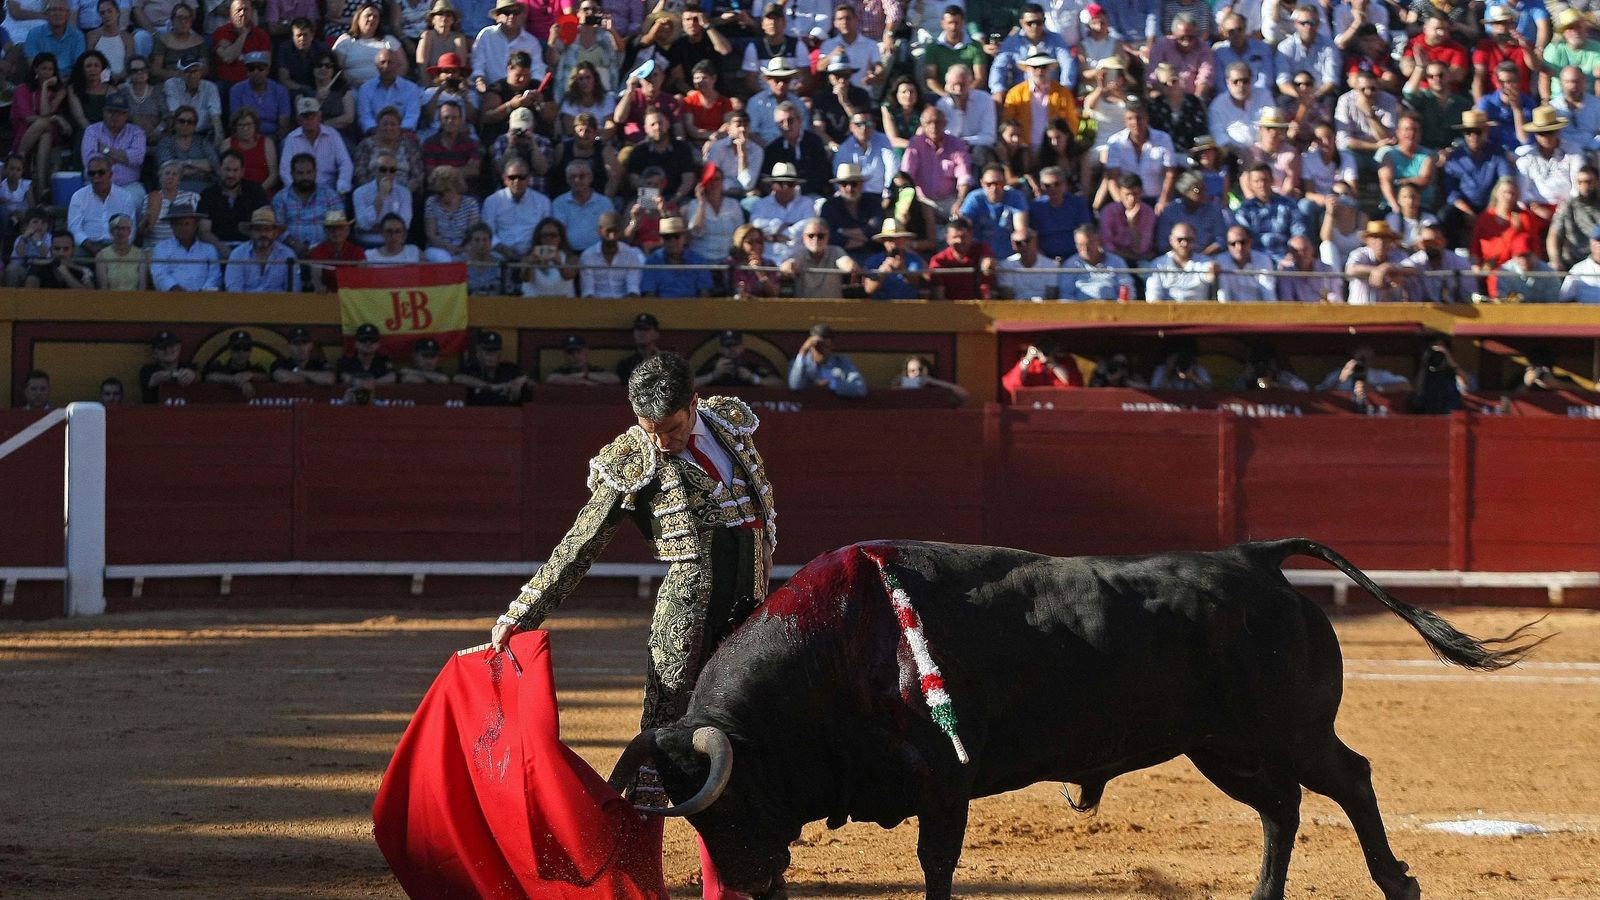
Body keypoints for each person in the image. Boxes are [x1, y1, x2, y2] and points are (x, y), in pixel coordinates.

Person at [489, 351, 776, 854]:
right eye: (650, 428)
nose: (662, 440)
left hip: (753, 608)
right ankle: (637, 859)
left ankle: (739, 867)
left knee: (752, 730)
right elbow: (580, 545)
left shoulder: (730, 422)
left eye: (672, 427)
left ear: (694, 403)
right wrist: (521, 612)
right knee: (660, 739)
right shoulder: (631, 457)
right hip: (688, 614)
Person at [68, 156, 140, 256]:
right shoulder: (78, 197)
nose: (96, 176)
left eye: (101, 172)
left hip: (117, 245)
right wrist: (93, 248)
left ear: (110, 174)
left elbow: (130, 231)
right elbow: (74, 229)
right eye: (92, 173)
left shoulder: (125, 197)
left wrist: (112, 250)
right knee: (73, 255)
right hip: (87, 245)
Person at [199, 151, 270, 252]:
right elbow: (204, 231)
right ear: (219, 169)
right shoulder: (207, 194)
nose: (231, 175)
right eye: (227, 170)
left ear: (242, 171)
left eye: (235, 170)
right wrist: (222, 249)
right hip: (218, 248)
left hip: (250, 248)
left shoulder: (255, 191)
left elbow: (265, 223)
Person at [779, 216, 859, 298]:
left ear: (828, 237)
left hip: (832, 308)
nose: (815, 240)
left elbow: (844, 262)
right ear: (804, 238)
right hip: (804, 308)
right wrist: (788, 265)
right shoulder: (800, 253)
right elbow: (791, 263)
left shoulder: (836, 251)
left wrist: (849, 265)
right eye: (811, 235)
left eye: (820, 236)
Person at [149, 201, 221, 291]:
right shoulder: (162, 248)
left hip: (205, 300)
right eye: (179, 224)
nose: (183, 228)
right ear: (172, 226)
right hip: (171, 299)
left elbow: (215, 276)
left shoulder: (209, 249)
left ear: (195, 226)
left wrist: (203, 292)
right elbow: (159, 275)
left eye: (187, 224)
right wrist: (177, 291)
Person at [225, 207, 300, 293]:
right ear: (250, 232)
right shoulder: (238, 254)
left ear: (275, 233)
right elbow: (233, 290)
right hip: (244, 304)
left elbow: (294, 290)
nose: (263, 234)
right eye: (258, 229)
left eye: (267, 229)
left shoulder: (288, 255)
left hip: (279, 304)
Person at [639, 216, 713, 299]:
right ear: (661, 240)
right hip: (661, 309)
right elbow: (649, 295)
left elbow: (705, 293)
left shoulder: (699, 261)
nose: (672, 241)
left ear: (684, 238)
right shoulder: (652, 262)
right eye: (667, 237)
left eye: (676, 236)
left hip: (694, 309)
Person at [787, 323, 866, 398]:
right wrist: (803, 352)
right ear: (810, 347)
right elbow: (794, 386)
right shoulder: (799, 363)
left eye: (826, 346)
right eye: (818, 347)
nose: (823, 351)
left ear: (832, 346)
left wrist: (832, 384)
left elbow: (860, 389)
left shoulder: (841, 362)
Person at [927, 214, 996, 300]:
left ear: (971, 236)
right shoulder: (939, 260)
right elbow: (939, 295)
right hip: (951, 308)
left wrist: (987, 265)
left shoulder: (981, 250)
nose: (959, 241)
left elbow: (988, 263)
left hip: (980, 304)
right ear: (947, 238)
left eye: (963, 237)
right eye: (955, 237)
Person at [1345, 220, 1415, 305]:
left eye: (1384, 238)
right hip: (1360, 311)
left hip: (1391, 312)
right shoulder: (1359, 254)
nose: (1380, 242)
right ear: (1367, 241)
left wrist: (1388, 267)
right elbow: (1351, 270)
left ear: (1391, 241)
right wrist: (1377, 271)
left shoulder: (1398, 254)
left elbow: (1412, 269)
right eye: (1375, 237)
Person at [1058, 223, 1132, 301]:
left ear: (1099, 241)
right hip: (1081, 310)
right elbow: (1066, 294)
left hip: (1112, 309)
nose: (1085, 249)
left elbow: (1127, 289)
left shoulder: (1117, 261)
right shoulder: (1070, 264)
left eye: (1089, 244)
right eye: (1080, 245)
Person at [578, 211, 645, 298]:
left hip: (624, 304)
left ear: (620, 231)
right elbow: (588, 292)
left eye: (616, 231)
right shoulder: (587, 256)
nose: (612, 236)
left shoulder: (631, 254)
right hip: (595, 305)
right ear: (600, 230)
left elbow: (633, 289)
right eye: (609, 231)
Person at [229, 50, 294, 138]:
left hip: (274, 137)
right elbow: (236, 122)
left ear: (268, 70)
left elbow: (284, 125)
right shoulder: (236, 90)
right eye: (251, 68)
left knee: (285, 142)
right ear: (247, 71)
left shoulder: (280, 91)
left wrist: (269, 143)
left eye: (260, 68)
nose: (256, 72)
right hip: (246, 136)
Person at [456, 330, 530, 405]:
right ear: (478, 352)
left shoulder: (510, 369)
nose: (491, 356)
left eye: (495, 351)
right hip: (477, 414)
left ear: (500, 353)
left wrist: (521, 380)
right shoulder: (472, 369)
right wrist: (491, 387)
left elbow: (532, 383)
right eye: (487, 351)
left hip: (508, 413)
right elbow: (457, 378)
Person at [1146, 223, 1212, 302]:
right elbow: (1153, 297)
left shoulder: (1205, 261)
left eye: (1189, 239)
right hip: (1167, 312)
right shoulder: (1158, 264)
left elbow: (1209, 275)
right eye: (1180, 239)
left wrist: (1212, 274)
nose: (1184, 243)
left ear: (1195, 240)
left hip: (1199, 312)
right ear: (1171, 240)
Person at [694, 329, 777, 389]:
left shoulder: (751, 367)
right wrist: (713, 375)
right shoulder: (711, 368)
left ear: (742, 347)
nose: (732, 349)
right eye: (728, 346)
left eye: (735, 345)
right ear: (721, 349)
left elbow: (780, 384)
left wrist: (753, 378)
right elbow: (688, 386)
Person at [1490, 232, 1560, 302]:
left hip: (1543, 311)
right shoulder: (1505, 272)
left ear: (1535, 254)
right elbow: (1501, 301)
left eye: (1527, 255)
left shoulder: (1549, 273)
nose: (1524, 260)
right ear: (1513, 256)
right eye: (1519, 256)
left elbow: (1554, 302)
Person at [307, 210, 367, 292]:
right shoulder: (318, 251)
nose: (336, 232)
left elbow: (362, 278)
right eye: (331, 229)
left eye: (340, 228)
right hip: (326, 297)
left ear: (347, 231)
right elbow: (316, 279)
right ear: (325, 231)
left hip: (352, 296)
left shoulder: (357, 251)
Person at [1213, 225, 1276, 302]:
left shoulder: (1263, 259)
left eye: (1243, 242)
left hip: (1258, 310)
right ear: (1227, 245)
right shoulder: (1221, 260)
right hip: (1231, 310)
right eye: (1233, 243)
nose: (1239, 247)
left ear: (1250, 242)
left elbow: (1268, 293)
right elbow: (1224, 295)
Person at [203, 329, 270, 398]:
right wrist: (236, 380)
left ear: (250, 351)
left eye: (246, 348)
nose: (241, 353)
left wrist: (251, 375)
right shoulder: (220, 368)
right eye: (236, 348)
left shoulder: (256, 369)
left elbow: (266, 377)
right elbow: (210, 377)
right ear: (230, 350)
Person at [1277, 234, 1344, 302]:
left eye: (1305, 249)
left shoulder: (1327, 269)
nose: (1302, 254)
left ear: (1312, 249)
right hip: (1297, 311)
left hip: (1323, 310)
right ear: (1291, 253)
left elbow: (1336, 296)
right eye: (1297, 251)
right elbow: (1287, 300)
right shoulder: (1286, 274)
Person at [1000, 338, 1082, 393]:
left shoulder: (1065, 362)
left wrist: (1052, 363)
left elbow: (1074, 384)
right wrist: (1028, 357)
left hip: (1060, 405)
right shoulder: (1029, 364)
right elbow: (1011, 384)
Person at [138, 330, 199, 402]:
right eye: (162, 347)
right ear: (155, 353)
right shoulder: (147, 370)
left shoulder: (190, 367)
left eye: (171, 346)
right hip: (155, 412)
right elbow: (156, 377)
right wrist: (176, 375)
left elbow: (199, 377)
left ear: (179, 348)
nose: (167, 350)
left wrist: (193, 375)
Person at [996, 228, 1057, 301]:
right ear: (1013, 244)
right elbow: (1007, 296)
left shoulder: (1050, 265)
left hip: (1044, 308)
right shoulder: (1005, 265)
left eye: (1027, 241)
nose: (1024, 245)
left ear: (1035, 241)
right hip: (1015, 308)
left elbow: (1051, 295)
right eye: (1018, 243)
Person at [25, 230, 94, 288]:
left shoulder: (83, 270)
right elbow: (29, 293)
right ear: (51, 249)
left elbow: (90, 298)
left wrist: (65, 273)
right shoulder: (38, 266)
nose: (61, 253)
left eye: (66, 249)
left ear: (73, 250)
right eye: (57, 249)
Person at [95, 213, 147, 290]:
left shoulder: (140, 255)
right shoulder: (102, 256)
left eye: (124, 228)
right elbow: (103, 287)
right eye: (117, 228)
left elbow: (142, 286)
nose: (121, 232)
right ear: (111, 231)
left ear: (129, 231)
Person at [546, 335, 622, 387]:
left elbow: (614, 379)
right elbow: (551, 379)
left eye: (578, 351)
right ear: (565, 356)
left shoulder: (595, 369)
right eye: (570, 353)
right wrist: (582, 381)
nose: (575, 356)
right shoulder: (563, 370)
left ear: (586, 352)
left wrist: (586, 375)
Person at [890, 354, 968, 404]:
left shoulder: (937, 391)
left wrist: (933, 381)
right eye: (912, 371)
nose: (917, 373)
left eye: (920, 369)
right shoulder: (902, 390)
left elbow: (963, 394)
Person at [271, 326, 336, 384]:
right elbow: (283, 378)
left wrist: (298, 372)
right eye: (296, 344)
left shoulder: (319, 363)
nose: (300, 348)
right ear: (289, 346)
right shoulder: (281, 363)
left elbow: (329, 379)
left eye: (304, 343)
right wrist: (314, 378)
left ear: (311, 345)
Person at [614, 312, 661, 383]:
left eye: (646, 329)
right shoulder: (626, 365)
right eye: (639, 329)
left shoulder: (666, 363)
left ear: (656, 334)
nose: (642, 333)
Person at [1559, 224, 1600, 303]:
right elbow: (1564, 300)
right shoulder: (1578, 270)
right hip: (1587, 313)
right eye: (1598, 240)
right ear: (1591, 242)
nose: (1599, 244)